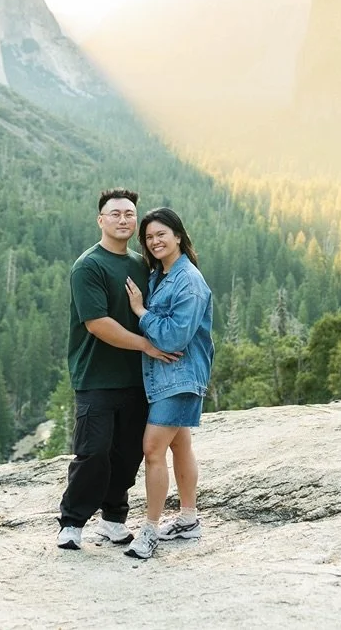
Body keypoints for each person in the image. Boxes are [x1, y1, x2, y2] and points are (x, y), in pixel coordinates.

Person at [56, 188, 181, 551]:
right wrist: (147, 345)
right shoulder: (88, 266)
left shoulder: (141, 264)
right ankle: (72, 522)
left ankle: (113, 518)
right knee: (93, 451)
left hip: (138, 377)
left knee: (127, 454)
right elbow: (97, 324)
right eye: (115, 214)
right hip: (96, 376)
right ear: (101, 220)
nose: (123, 219)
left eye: (129, 214)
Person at [121, 206, 214, 559]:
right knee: (180, 446)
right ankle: (188, 519)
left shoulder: (188, 280)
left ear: (178, 236)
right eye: (148, 237)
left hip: (180, 376)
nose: (154, 241)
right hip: (166, 377)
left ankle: (150, 530)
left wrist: (141, 312)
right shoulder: (161, 274)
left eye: (161, 234)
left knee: (152, 449)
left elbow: (175, 337)